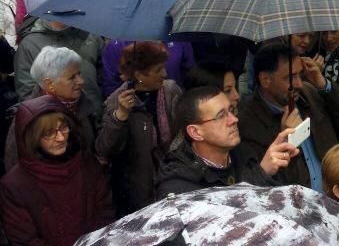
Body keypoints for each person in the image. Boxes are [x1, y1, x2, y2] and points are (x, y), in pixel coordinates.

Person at [0, 96, 114, 246]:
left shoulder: (86, 163)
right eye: (49, 134)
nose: (60, 138)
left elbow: (105, 212)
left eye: (63, 128)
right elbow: (24, 239)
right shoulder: (15, 185)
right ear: (32, 138)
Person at [238, 43, 339, 190]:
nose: (299, 83)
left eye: (300, 74)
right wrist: (286, 141)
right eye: (290, 78)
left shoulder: (308, 92)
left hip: (334, 193)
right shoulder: (247, 122)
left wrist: (323, 84)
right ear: (265, 80)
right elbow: (266, 184)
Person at [156, 87, 300, 198]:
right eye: (221, 116)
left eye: (231, 111)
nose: (234, 120)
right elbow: (222, 225)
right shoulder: (178, 185)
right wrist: (261, 175)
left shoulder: (244, 154)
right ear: (195, 132)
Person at [95, 41, 182, 214]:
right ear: (139, 75)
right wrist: (120, 116)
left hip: (172, 178)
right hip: (137, 191)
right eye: (158, 70)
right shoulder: (116, 102)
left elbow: (182, 130)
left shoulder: (171, 91)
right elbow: (104, 149)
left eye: (163, 68)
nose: (164, 74)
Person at [5, 46, 98, 170]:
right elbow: (14, 164)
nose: (81, 81)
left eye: (79, 74)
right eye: (72, 77)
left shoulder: (83, 104)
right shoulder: (28, 117)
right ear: (50, 84)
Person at [14, 19, 104, 117]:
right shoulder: (30, 44)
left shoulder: (93, 37)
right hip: (51, 122)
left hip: (92, 116)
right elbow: (27, 94)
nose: (80, 81)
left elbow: (104, 79)